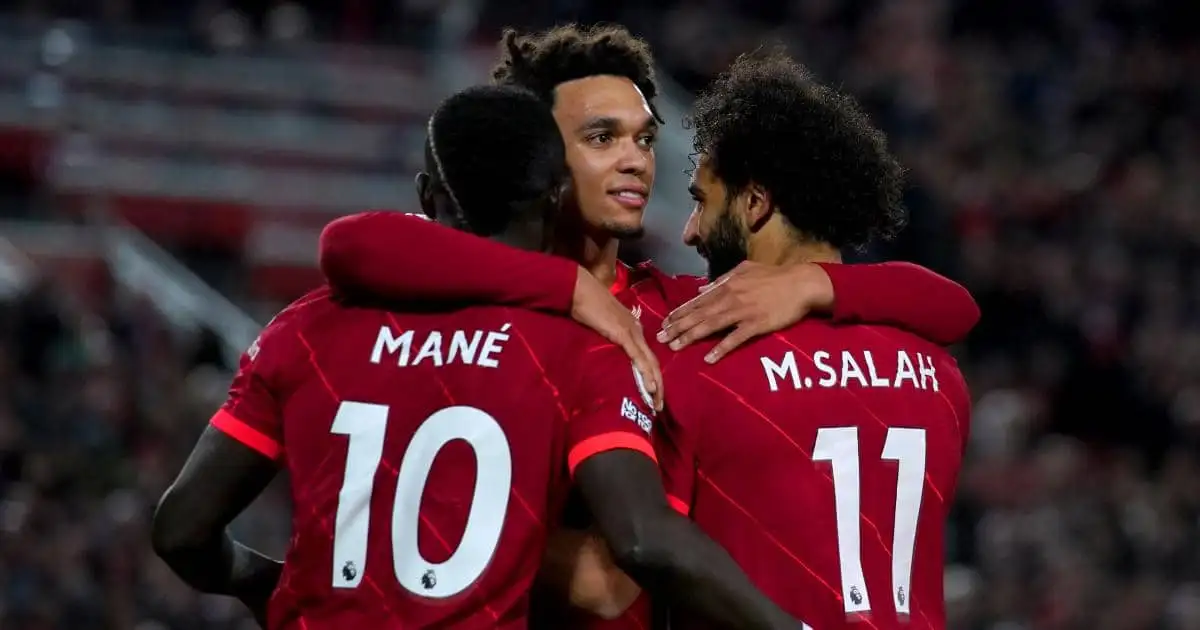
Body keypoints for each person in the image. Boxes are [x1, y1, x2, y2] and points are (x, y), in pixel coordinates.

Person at [317, 24, 979, 629]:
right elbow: (350, 246)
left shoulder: (686, 316)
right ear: (540, 160)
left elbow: (950, 307)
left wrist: (818, 282)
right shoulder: (462, 306)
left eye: (644, 138)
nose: (637, 159)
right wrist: (565, 284)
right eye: (602, 138)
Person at [150, 85, 801, 630]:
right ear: (555, 199)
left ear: (428, 195)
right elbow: (642, 542)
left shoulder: (309, 326)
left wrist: (266, 585)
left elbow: (181, 529)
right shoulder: (580, 347)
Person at [650, 48, 972, 629]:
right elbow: (958, 305)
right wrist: (819, 282)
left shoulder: (704, 360)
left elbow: (653, 558)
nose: (689, 230)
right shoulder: (940, 374)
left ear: (754, 203)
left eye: (701, 200)